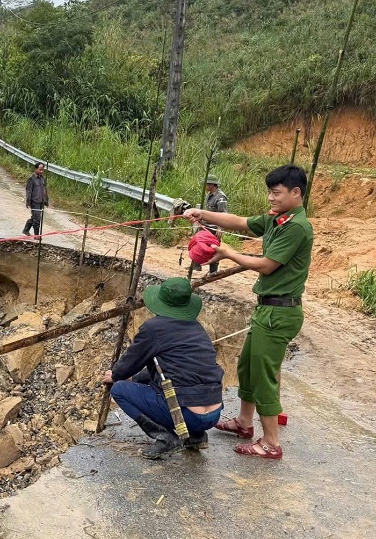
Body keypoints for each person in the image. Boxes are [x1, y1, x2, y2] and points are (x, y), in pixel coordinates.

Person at [183, 164, 313, 461]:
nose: (270, 198)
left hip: (280, 313)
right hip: (267, 309)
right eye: (269, 191)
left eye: (276, 192)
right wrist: (203, 214)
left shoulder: (296, 227)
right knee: (246, 367)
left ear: (296, 193)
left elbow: (267, 265)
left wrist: (228, 253)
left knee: (264, 377)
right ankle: (244, 422)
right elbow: (239, 222)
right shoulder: (278, 220)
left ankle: (270, 442)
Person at [100, 277, 224, 459]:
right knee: (176, 384)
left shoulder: (154, 328)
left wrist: (116, 375)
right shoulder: (197, 328)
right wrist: (135, 379)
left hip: (188, 414)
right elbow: (168, 370)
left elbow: (130, 363)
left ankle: (166, 438)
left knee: (119, 389)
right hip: (213, 414)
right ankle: (195, 436)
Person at [191, 176, 229, 274]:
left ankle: (213, 271)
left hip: (213, 228)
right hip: (204, 226)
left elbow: (223, 214)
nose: (206, 186)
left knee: (214, 249)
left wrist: (220, 228)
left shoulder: (221, 197)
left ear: (213, 185)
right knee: (198, 244)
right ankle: (196, 265)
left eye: (208, 184)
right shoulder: (209, 195)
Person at [22, 162, 49, 237]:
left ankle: (26, 230)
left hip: (41, 201)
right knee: (37, 220)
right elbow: (28, 191)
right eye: (40, 169)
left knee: (34, 217)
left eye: (43, 170)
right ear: (36, 169)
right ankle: (37, 236)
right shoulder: (32, 179)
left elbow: (45, 190)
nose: (41, 171)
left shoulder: (43, 178)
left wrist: (46, 201)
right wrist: (28, 202)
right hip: (35, 202)